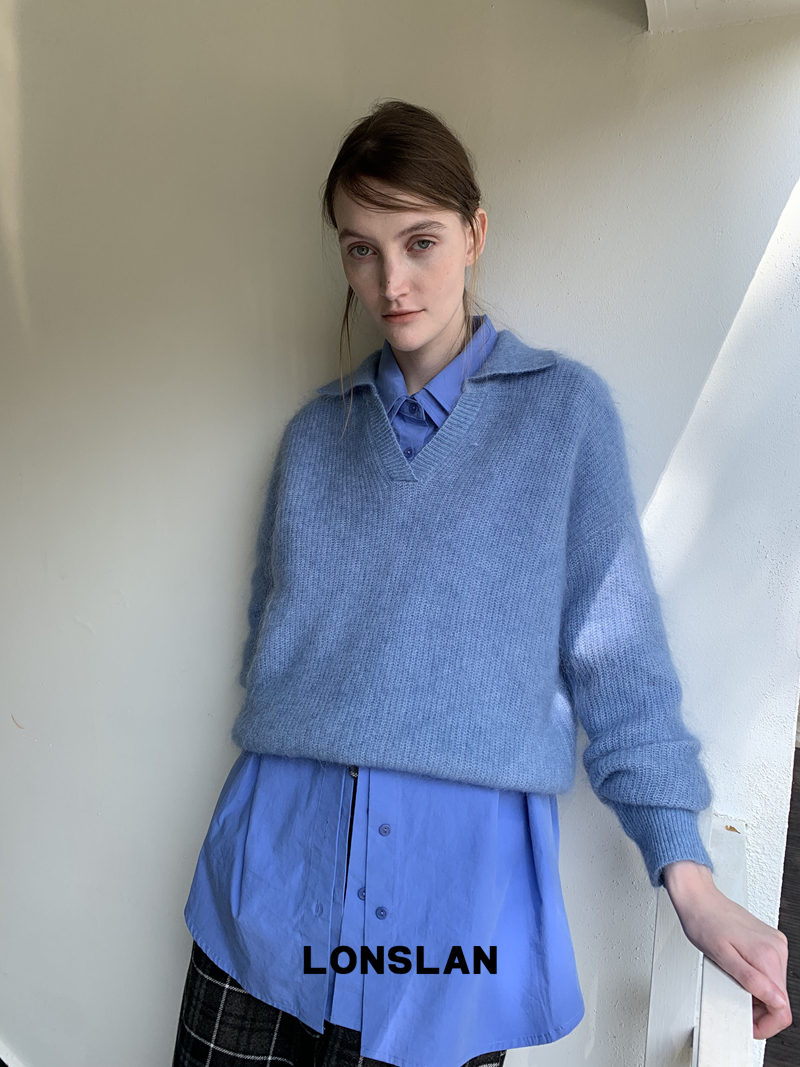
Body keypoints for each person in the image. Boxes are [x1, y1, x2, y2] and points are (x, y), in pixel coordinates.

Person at [172, 100, 791, 1067]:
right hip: (273, 889)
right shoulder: (315, 438)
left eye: (419, 241)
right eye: (361, 249)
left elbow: (620, 670)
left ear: (475, 234)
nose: (391, 281)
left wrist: (691, 878)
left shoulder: (564, 418)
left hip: (452, 919)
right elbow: (275, 647)